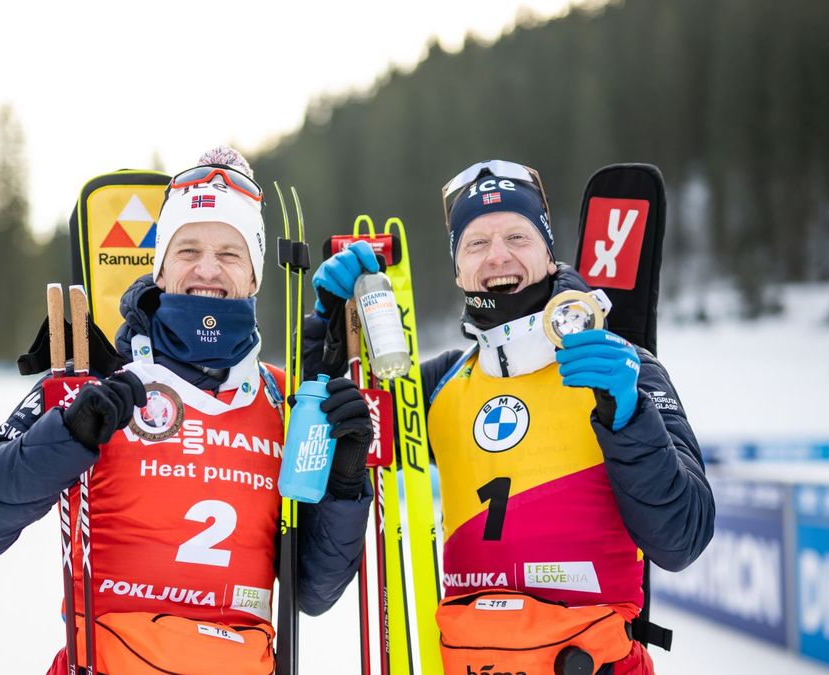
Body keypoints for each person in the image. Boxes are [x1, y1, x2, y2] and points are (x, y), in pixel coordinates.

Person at [0, 147, 374, 674]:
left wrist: (344, 482)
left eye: (230, 254)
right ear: (160, 268)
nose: (207, 269)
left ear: (254, 277)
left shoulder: (281, 399)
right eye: (187, 250)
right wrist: (65, 436)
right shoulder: (95, 385)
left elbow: (313, 591)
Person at [303, 159, 714, 674]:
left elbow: (683, 540)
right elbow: (327, 431)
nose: (499, 256)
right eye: (476, 243)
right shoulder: (434, 387)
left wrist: (629, 413)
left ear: (547, 253)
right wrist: (328, 330)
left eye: (518, 237)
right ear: (458, 269)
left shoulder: (622, 366)